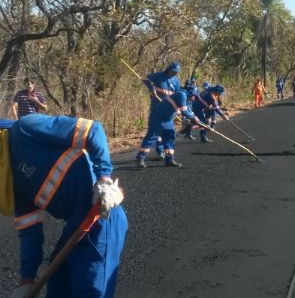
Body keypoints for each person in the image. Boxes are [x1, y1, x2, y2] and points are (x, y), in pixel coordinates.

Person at [1, 114, 127, 298]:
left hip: (100, 214)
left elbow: (94, 130)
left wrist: (104, 179)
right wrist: (26, 281)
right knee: (58, 285)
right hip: (76, 224)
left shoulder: (26, 129)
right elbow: (30, 232)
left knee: (90, 290)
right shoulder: (9, 178)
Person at [136, 91, 203, 168]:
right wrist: (194, 119)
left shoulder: (186, 100)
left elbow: (189, 112)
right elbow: (184, 112)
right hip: (158, 117)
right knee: (152, 136)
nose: (194, 99)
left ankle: (169, 159)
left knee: (170, 137)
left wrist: (200, 122)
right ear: (192, 94)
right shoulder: (182, 95)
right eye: (195, 97)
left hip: (168, 119)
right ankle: (140, 158)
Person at [141, 62, 182, 160]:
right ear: (168, 69)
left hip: (169, 112)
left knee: (168, 132)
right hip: (157, 108)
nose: (174, 73)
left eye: (176, 72)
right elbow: (145, 79)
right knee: (155, 131)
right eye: (173, 71)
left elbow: (178, 95)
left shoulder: (176, 81)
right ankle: (158, 151)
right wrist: (151, 88)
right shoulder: (158, 76)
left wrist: (179, 109)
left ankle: (166, 154)